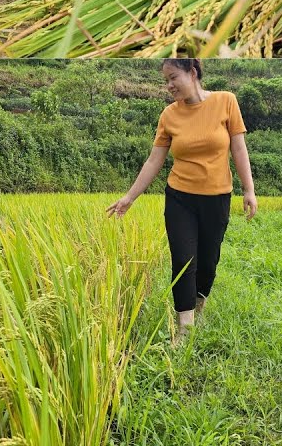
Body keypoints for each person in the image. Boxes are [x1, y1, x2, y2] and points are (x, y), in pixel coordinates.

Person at [105, 59, 258, 347]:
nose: (169, 85)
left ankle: (199, 306)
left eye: (173, 77)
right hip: (180, 198)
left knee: (208, 261)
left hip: (217, 198)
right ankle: (184, 328)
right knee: (183, 259)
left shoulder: (226, 101)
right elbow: (154, 160)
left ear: (193, 72)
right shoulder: (169, 115)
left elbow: (239, 147)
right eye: (166, 80)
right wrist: (129, 197)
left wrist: (248, 189)